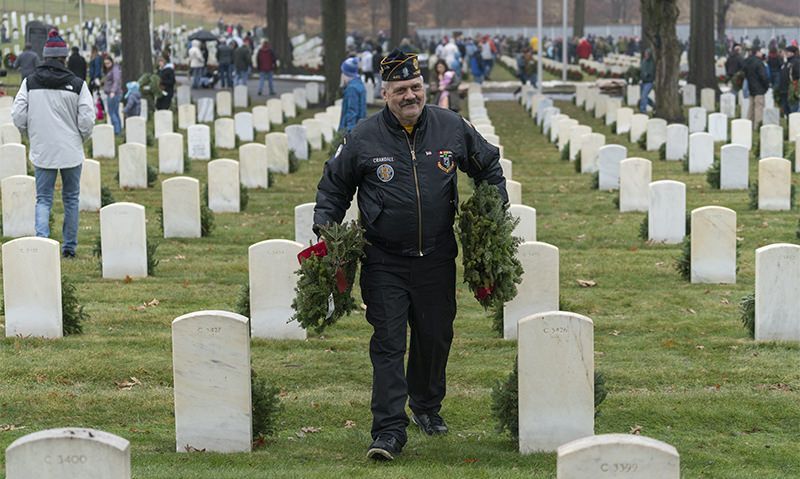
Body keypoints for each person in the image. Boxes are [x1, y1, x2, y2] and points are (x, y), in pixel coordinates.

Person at [313, 49, 506, 462]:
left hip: (437, 256)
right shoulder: (364, 138)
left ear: (425, 88)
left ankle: (426, 405)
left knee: (435, 336)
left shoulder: (450, 127)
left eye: (415, 87)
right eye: (400, 90)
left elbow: (489, 165)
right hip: (385, 259)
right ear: (385, 93)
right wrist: (325, 232)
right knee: (387, 343)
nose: (410, 96)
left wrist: (494, 211)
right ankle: (388, 431)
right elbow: (333, 189)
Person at [11, 29, 94, 258]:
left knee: (44, 198)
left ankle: (42, 242)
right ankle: (69, 248)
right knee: (71, 199)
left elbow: (18, 114)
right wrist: (80, 138)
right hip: (70, 149)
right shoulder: (77, 84)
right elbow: (87, 119)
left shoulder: (30, 83)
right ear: (64, 58)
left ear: (45, 56)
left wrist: (30, 134)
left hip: (43, 148)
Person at [338, 57, 366, 132]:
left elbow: (352, 112)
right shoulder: (359, 84)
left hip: (351, 130)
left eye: (342, 72)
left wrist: (348, 133)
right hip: (360, 127)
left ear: (346, 74)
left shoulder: (351, 89)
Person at [744, 47, 770, 126]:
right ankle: (758, 126)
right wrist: (766, 86)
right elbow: (763, 76)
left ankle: (748, 124)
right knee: (759, 108)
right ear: (757, 52)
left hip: (751, 87)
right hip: (759, 88)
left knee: (751, 108)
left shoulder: (747, 61)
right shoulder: (759, 63)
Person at [102, 55, 122, 135]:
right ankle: (118, 129)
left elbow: (116, 81)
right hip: (112, 93)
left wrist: (113, 91)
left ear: (112, 62)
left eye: (108, 63)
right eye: (105, 64)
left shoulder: (115, 69)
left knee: (112, 112)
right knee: (115, 112)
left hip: (113, 94)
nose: (107, 65)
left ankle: (116, 131)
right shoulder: (111, 70)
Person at [778, 45, 800, 115]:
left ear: (792, 53)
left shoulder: (796, 62)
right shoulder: (785, 63)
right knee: (787, 112)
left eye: (787, 52)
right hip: (784, 90)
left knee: (793, 112)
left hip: (792, 91)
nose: (786, 53)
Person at [639, 49, 656, 114]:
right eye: (645, 54)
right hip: (643, 81)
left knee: (644, 95)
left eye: (647, 54)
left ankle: (643, 110)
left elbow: (651, 71)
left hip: (649, 81)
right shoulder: (643, 61)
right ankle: (654, 105)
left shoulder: (651, 62)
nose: (645, 55)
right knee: (643, 96)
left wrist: (647, 74)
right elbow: (641, 70)